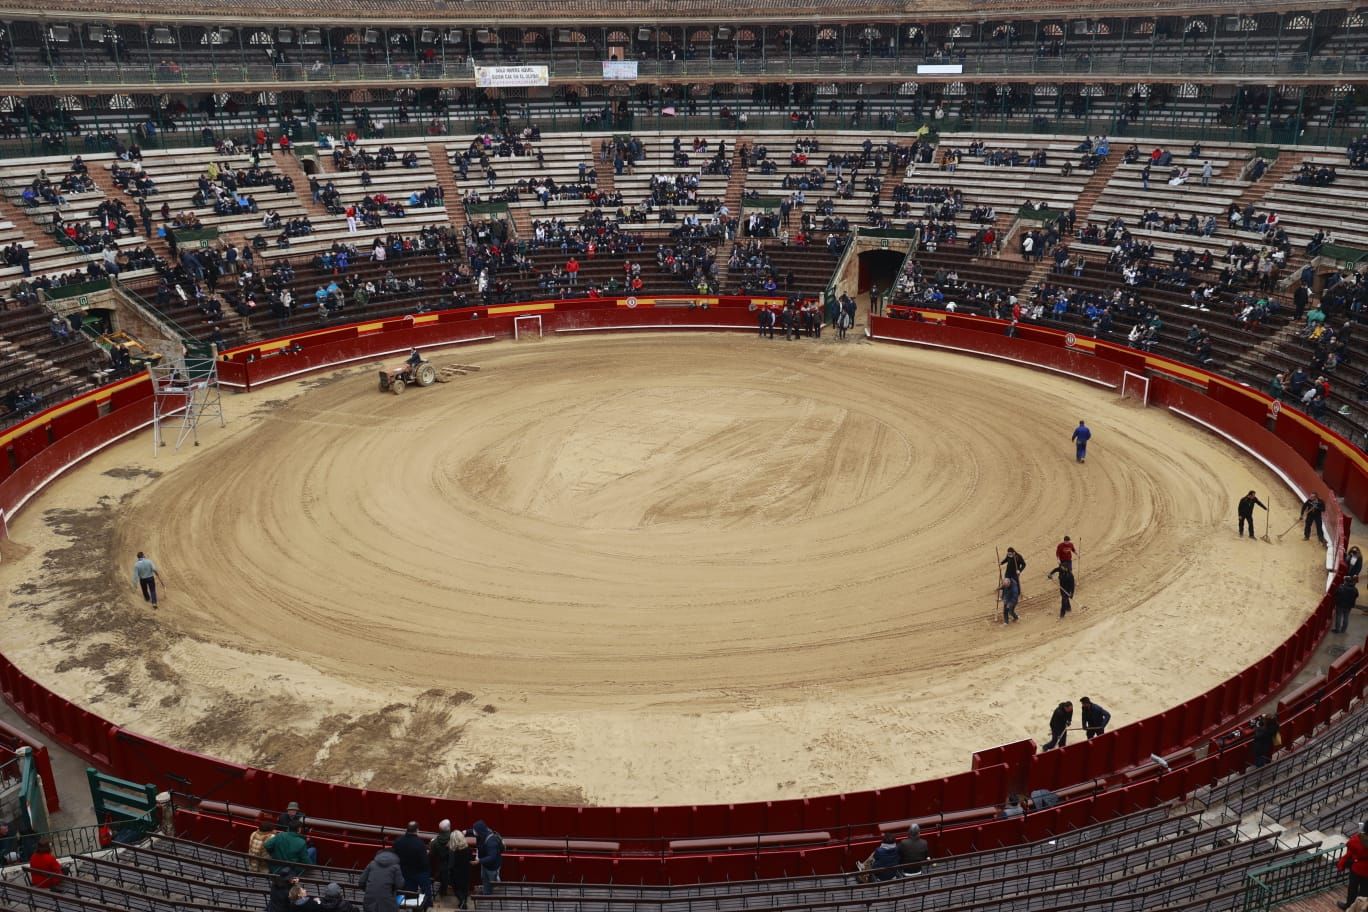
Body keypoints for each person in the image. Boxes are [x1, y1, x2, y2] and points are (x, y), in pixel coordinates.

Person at [392, 821, 431, 909]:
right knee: (426, 889)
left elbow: (395, 855)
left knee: (410, 893)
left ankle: (410, 907)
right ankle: (428, 906)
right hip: (419, 872)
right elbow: (424, 862)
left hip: (404, 871)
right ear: (417, 830)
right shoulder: (420, 843)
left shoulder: (398, 841)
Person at [359, 845, 404, 912]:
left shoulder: (372, 863)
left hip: (370, 900)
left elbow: (361, 882)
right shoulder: (396, 867)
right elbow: (400, 885)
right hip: (388, 902)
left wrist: (369, 889)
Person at [1337, 823, 1368, 910]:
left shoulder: (1358, 839)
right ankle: (1361, 908)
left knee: (1352, 888)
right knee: (1365, 891)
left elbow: (1350, 844)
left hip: (1357, 868)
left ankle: (1349, 905)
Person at [471, 820, 503, 896]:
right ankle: (486, 892)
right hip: (485, 864)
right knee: (484, 879)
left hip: (492, 867)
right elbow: (473, 831)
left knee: (491, 881)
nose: (473, 832)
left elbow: (492, 857)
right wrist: (466, 832)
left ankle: (490, 894)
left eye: (475, 830)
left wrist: (479, 861)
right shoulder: (483, 833)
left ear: (479, 831)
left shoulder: (491, 842)